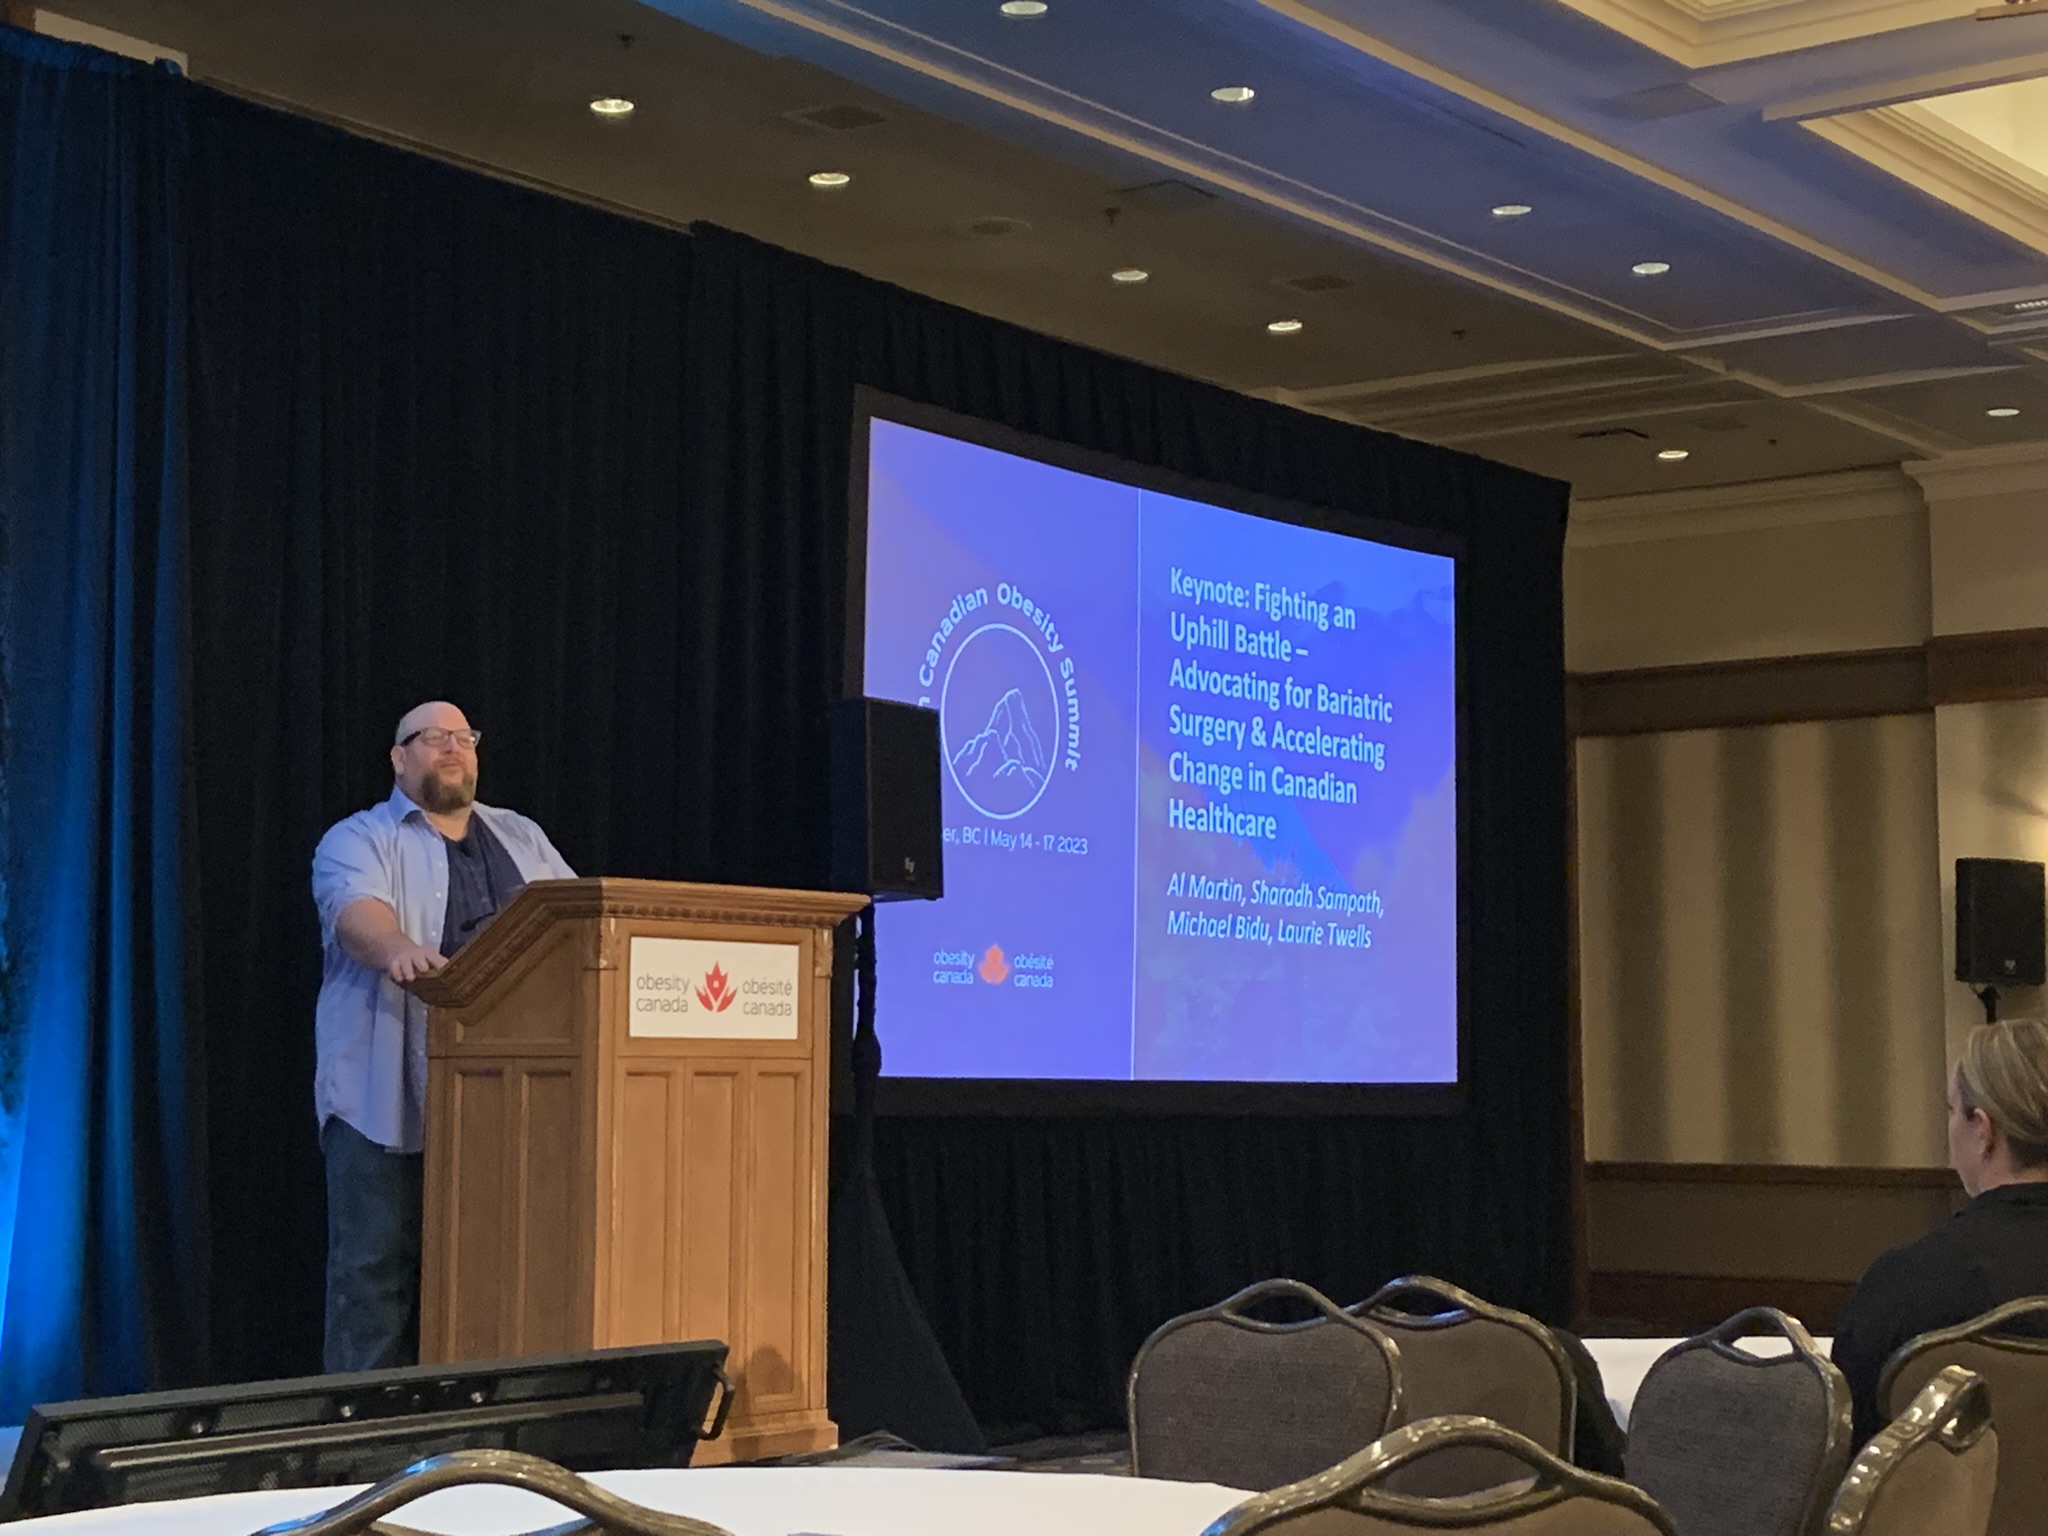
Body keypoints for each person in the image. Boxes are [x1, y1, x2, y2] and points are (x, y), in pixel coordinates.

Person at [310, 701, 575, 1373]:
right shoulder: (359, 838)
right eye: (433, 738)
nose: (453, 749)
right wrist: (398, 946)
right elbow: (354, 912)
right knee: (374, 1272)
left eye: (464, 738)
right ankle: (358, 1440)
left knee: (497, 1273)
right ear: (400, 758)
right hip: (385, 1094)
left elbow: (579, 923)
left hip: (508, 1099)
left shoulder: (520, 836)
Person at [1831, 1016, 2048, 1444]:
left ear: (1983, 1131)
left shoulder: (1904, 1283)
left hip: (1955, 1512)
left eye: (1952, 1110)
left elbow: (1850, 1454)